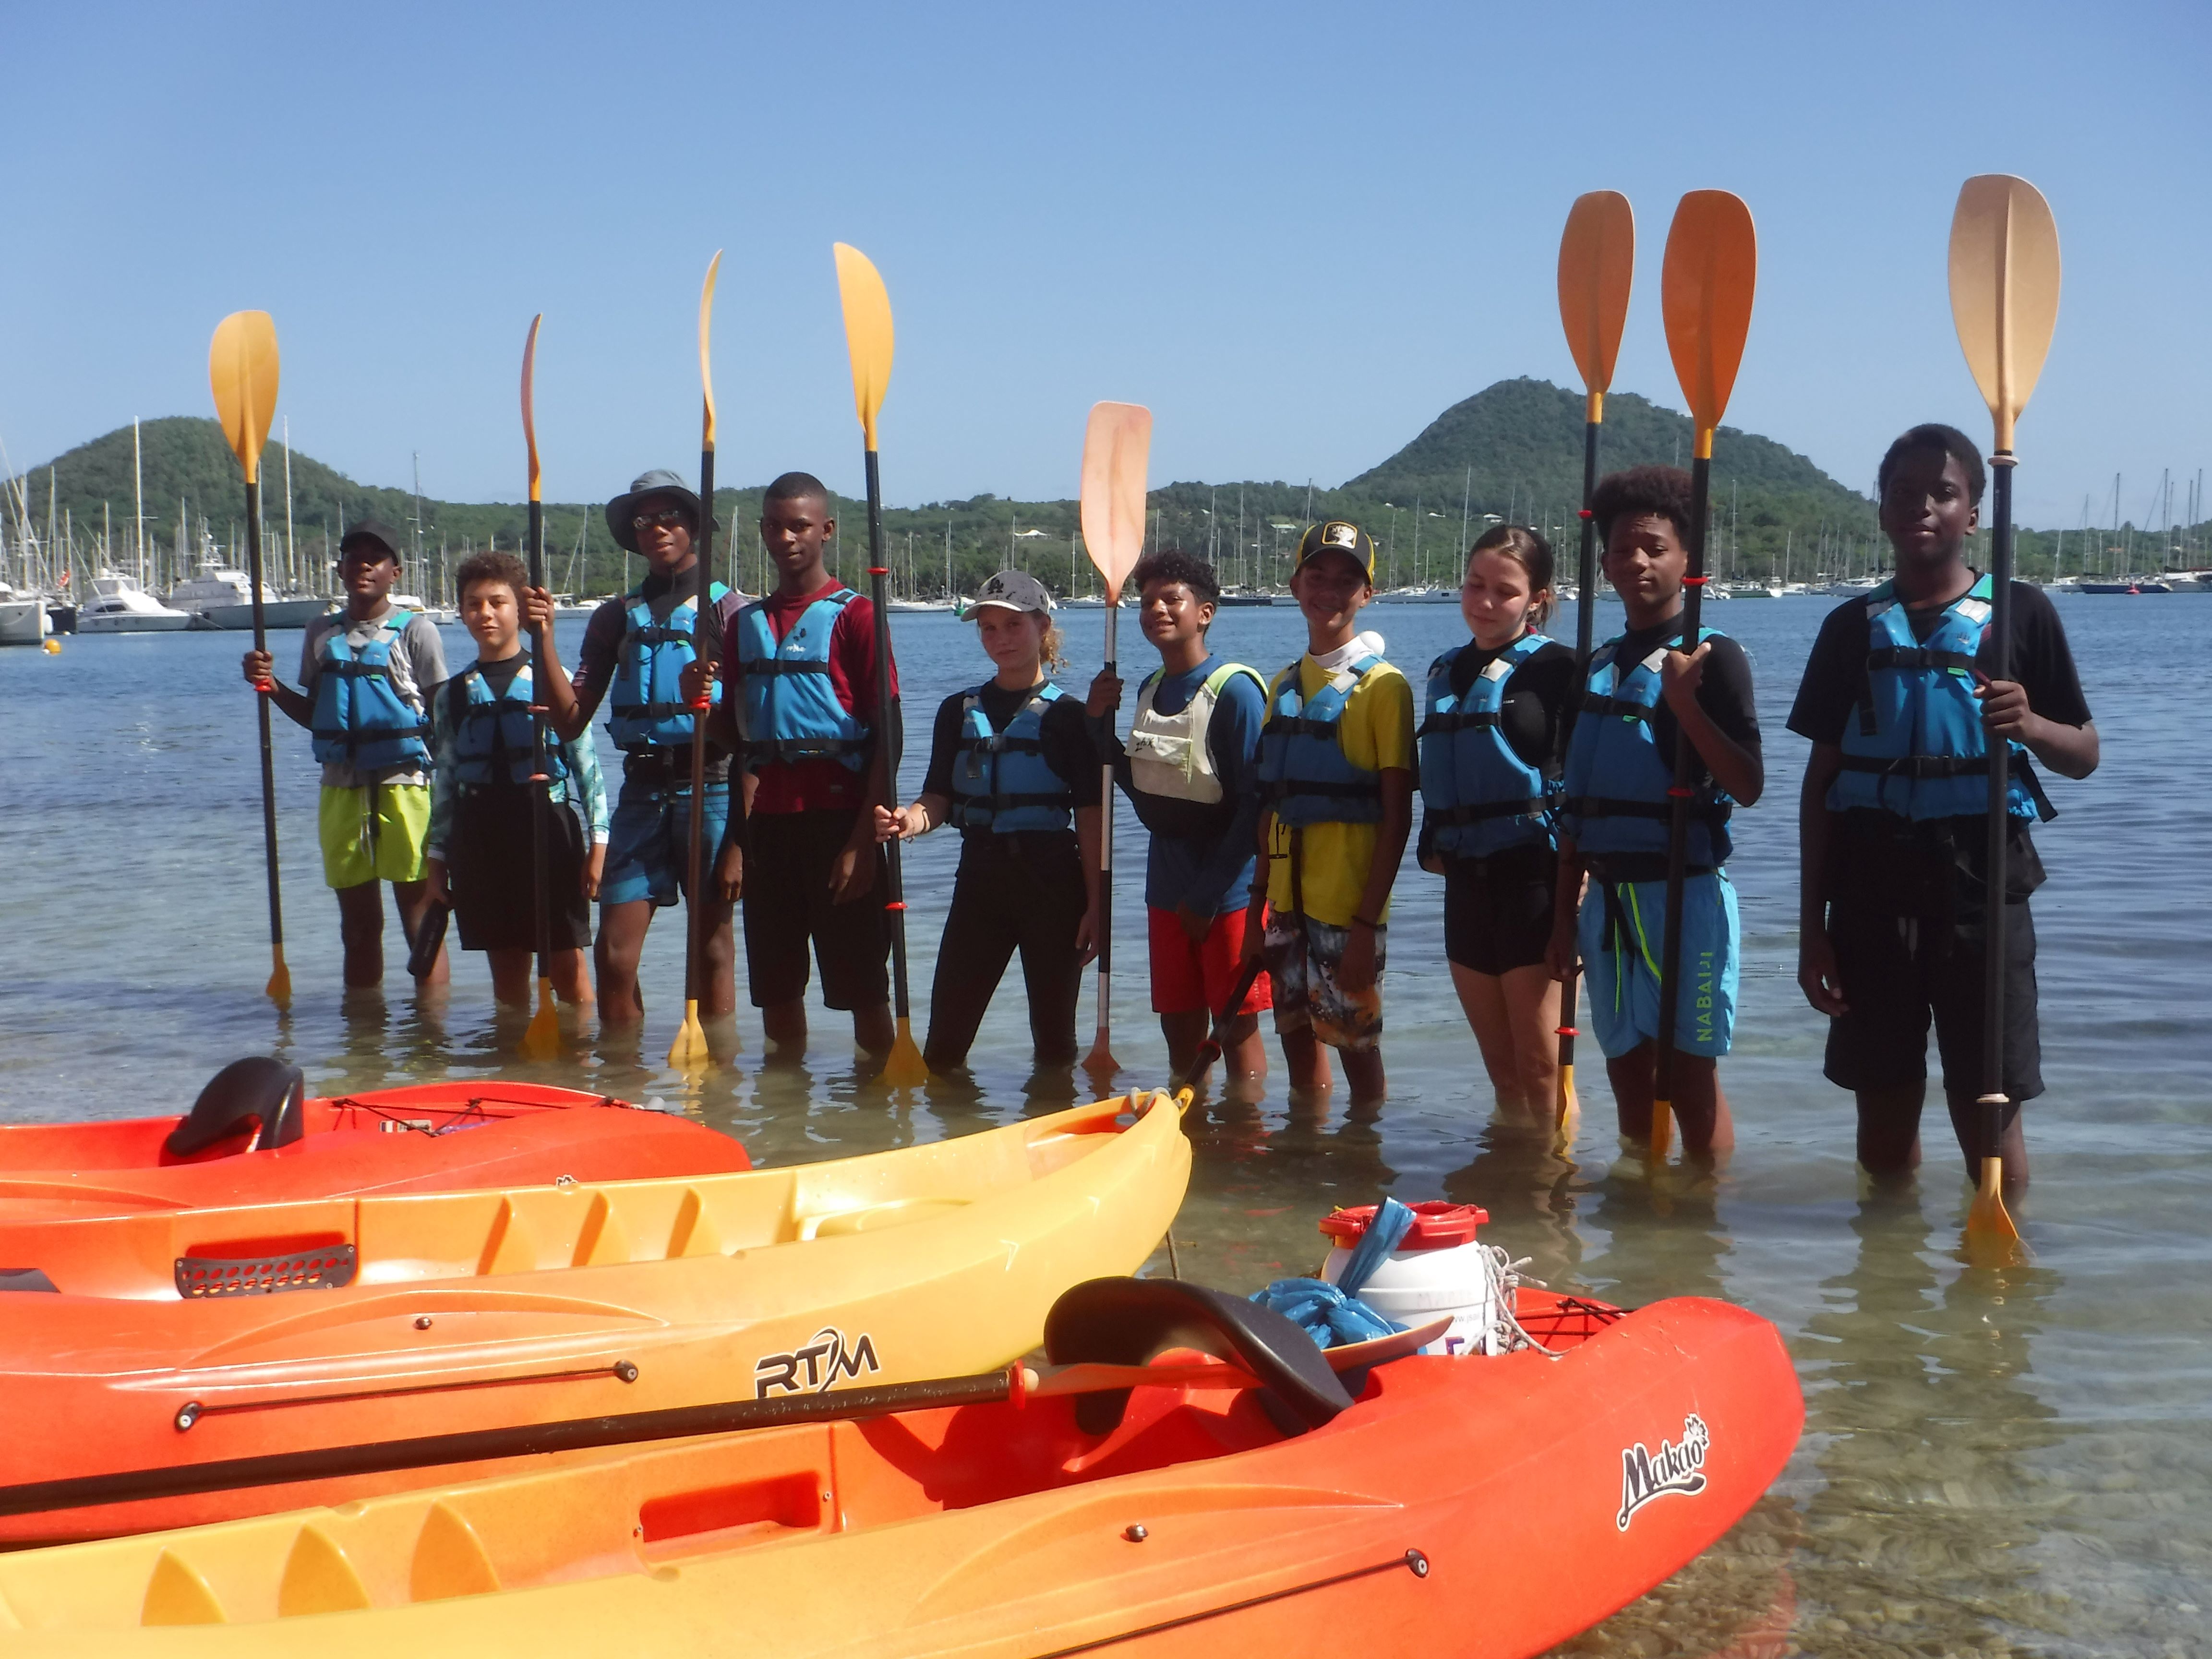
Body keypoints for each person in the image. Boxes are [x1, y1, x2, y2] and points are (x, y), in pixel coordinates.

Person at [1791, 423, 2097, 1190]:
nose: (1922, 505)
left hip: (1982, 892)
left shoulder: (2023, 614)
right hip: (1870, 894)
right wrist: (1811, 930)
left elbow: (2084, 754)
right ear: (1882, 510)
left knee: (1989, 1115)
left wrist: (2031, 725)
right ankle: (1887, 1258)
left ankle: (1996, 1266)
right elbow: (1820, 784)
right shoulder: (1848, 630)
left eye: (1943, 492)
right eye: (1903, 492)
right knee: (1883, 1118)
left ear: (1974, 513)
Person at [1545, 465, 1764, 1157]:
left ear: (1687, 559)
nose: (1637, 561)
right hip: (1606, 899)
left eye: (1655, 547)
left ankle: (1705, 1213)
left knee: (1690, 1077)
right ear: (1604, 563)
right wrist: (1562, 921)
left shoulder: (1715, 657)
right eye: (1622, 549)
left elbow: (1749, 784)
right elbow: (1573, 812)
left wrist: (1686, 707)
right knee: (1627, 1072)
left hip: (1683, 896)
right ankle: (1644, 1206)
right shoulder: (1596, 665)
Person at [684, 472, 896, 1059]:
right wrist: (698, 706)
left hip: (839, 824)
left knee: (862, 992)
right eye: (775, 527)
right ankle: (785, 1103)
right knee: (776, 993)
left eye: (800, 526)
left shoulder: (858, 617)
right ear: (762, 531)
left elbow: (890, 740)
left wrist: (863, 843)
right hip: (769, 833)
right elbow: (739, 741)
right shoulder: (743, 624)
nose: (787, 538)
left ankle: (878, 1103)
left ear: (826, 530)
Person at [534, 469, 743, 1028]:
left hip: (712, 787)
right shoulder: (614, 618)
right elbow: (570, 721)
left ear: (693, 525)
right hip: (643, 791)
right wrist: (544, 639)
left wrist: (740, 842)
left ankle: (719, 1073)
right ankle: (623, 1068)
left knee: (712, 947)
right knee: (614, 955)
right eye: (645, 520)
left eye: (670, 516)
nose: (657, 528)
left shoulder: (731, 611)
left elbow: (752, 733)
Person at [874, 570, 1102, 1071]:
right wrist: (909, 821)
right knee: (944, 1047)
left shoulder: (1070, 717)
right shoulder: (955, 711)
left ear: (1042, 627)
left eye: (1013, 625)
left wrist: (1097, 903)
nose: (1001, 638)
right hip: (980, 880)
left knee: (1054, 1045)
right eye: (989, 628)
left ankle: (1054, 1115)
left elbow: (1090, 817)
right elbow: (937, 796)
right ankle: (947, 1118)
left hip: (1053, 886)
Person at [1242, 520, 1415, 1103]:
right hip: (1285, 906)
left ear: (1367, 594)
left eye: (1347, 581)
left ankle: (1364, 1147)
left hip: (1347, 909)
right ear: (1296, 586)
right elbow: (1271, 810)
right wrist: (1256, 912)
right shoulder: (1282, 686)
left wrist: (1365, 928)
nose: (1330, 591)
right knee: (1295, 1039)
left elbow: (1397, 819)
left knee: (1356, 1049)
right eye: (1317, 577)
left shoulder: (1385, 689)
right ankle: (1306, 1146)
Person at [1084, 549, 1271, 1087]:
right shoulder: (1148, 689)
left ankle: (1246, 1129)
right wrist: (1095, 719)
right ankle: (1191, 1122)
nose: (1157, 611)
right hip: (1166, 883)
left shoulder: (1236, 691)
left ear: (1205, 613)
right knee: (1177, 1024)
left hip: (1227, 888)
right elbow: (1138, 785)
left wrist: (1209, 893)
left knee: (1233, 1026)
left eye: (1172, 600)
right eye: (1147, 602)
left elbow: (1256, 805)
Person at [241, 519, 448, 990]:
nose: (364, 566)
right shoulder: (320, 631)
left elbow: (444, 716)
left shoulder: (418, 632)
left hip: (406, 787)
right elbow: (319, 715)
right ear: (340, 569)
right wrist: (270, 686)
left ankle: (431, 1030)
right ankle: (363, 1031)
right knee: (357, 930)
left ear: (396, 572)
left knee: (420, 926)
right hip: (341, 788)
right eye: (354, 558)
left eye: (376, 559)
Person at [1417, 524, 1579, 1122]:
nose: (1485, 602)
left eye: (1505, 591)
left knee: (1542, 1070)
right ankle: (1512, 1175)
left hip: (1534, 886)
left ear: (1538, 598)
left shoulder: (1562, 670)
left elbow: (1583, 787)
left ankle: (1556, 1176)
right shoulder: (1444, 671)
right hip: (1465, 885)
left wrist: (1576, 895)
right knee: (1503, 1073)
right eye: (1474, 585)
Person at [422, 551, 608, 1010]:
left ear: (521, 610)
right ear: (461, 611)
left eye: (497, 602)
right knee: (507, 973)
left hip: (547, 830)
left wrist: (599, 845)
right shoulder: (452, 696)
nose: (485, 614)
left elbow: (588, 768)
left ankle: (582, 1051)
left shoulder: (553, 681)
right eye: (473, 604)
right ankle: (512, 1051)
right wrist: (436, 860)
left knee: (567, 967)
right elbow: (445, 781)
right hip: (480, 836)